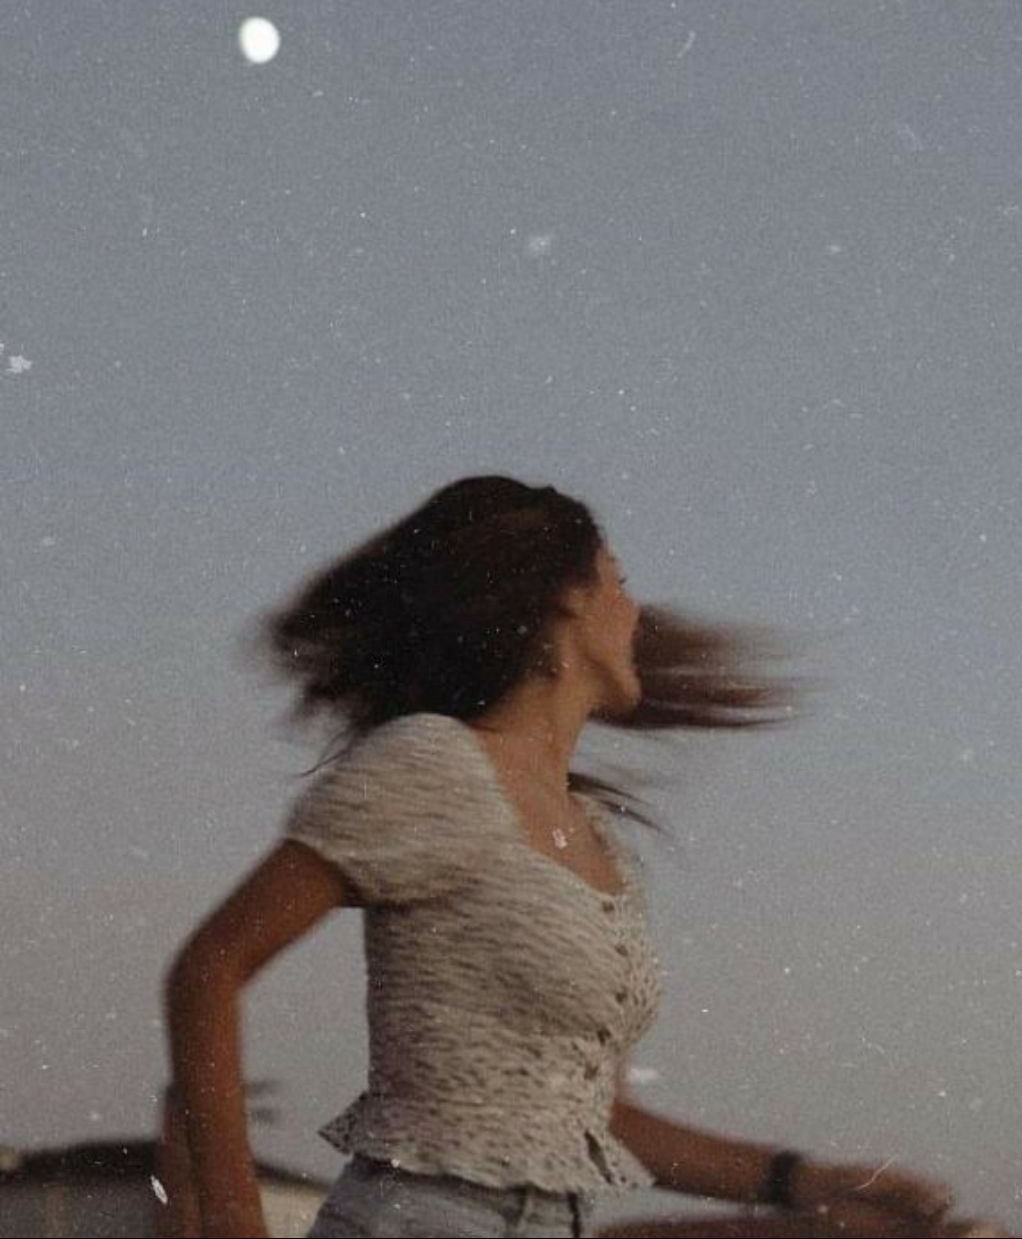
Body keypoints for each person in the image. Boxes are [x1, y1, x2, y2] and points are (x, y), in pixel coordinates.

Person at [164, 475, 952, 1239]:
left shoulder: (598, 836)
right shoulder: (434, 764)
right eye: (620, 581)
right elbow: (210, 966)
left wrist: (806, 1181)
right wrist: (233, 1218)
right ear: (568, 595)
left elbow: (597, 1120)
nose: (635, 611)